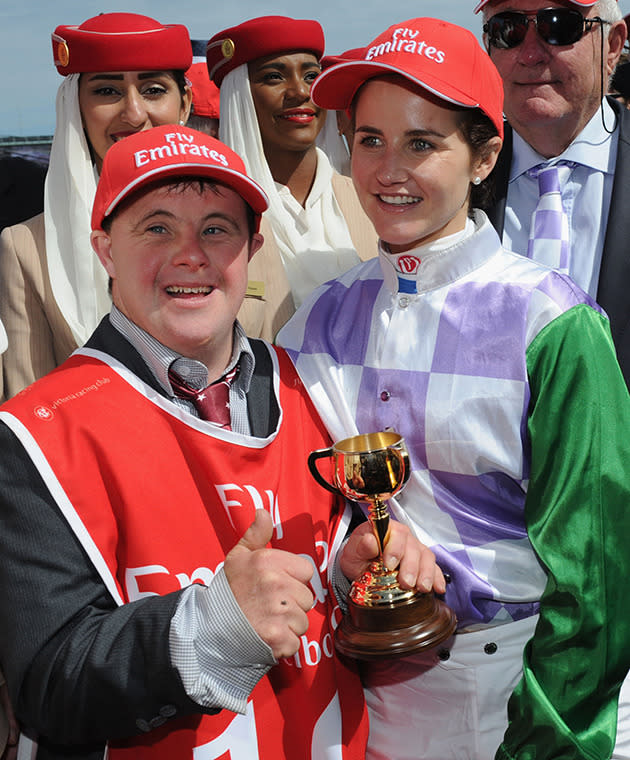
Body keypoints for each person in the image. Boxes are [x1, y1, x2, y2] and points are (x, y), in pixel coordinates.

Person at [0, 125, 438, 760]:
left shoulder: (307, 383)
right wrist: (212, 630)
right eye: (155, 228)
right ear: (103, 249)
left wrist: (356, 573)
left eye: (216, 229)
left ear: (253, 247)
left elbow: (325, 567)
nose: (190, 254)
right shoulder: (37, 432)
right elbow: (47, 684)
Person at [277, 17, 630, 760]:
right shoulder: (313, 324)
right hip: (359, 692)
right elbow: (300, 505)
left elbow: (595, 584)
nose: (387, 169)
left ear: (485, 155)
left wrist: (549, 743)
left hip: (528, 695)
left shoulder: (556, 323)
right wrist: (352, 547)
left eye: (422, 143)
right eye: (368, 139)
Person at [0, 12, 193, 402]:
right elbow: (29, 406)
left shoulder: (244, 219)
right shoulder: (27, 247)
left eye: (154, 90)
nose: (134, 113)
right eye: (107, 92)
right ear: (75, 107)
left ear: (185, 103)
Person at [473, 0, 630, 386]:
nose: (529, 54)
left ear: (612, 45)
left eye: (559, 25)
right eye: (507, 29)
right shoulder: (454, 180)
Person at [206, 16, 377, 341]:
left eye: (312, 76)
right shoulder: (214, 213)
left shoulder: (369, 196)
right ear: (239, 96)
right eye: (273, 77)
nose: (300, 91)